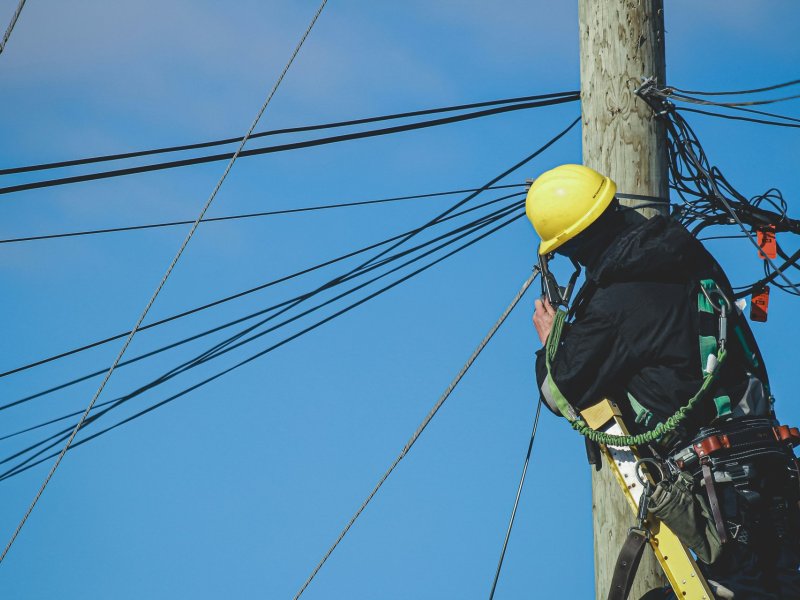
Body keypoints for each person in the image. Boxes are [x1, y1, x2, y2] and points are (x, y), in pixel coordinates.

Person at [527, 164, 800, 599]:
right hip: (772, 467)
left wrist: (551, 340)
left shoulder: (614, 302)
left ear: (571, 247)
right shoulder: (691, 257)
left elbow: (560, 390)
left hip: (716, 489)